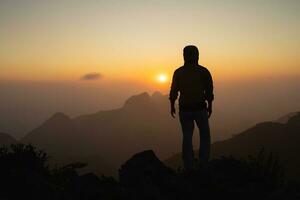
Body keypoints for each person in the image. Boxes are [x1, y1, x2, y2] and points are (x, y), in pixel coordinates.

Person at [169, 45, 214, 170]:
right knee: (205, 135)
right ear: (197, 55)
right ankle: (203, 162)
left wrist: (172, 105)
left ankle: (188, 165)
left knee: (187, 137)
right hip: (200, 108)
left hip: (185, 110)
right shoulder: (203, 71)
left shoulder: (178, 72)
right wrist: (210, 106)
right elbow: (209, 91)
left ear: (184, 55)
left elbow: (173, 91)